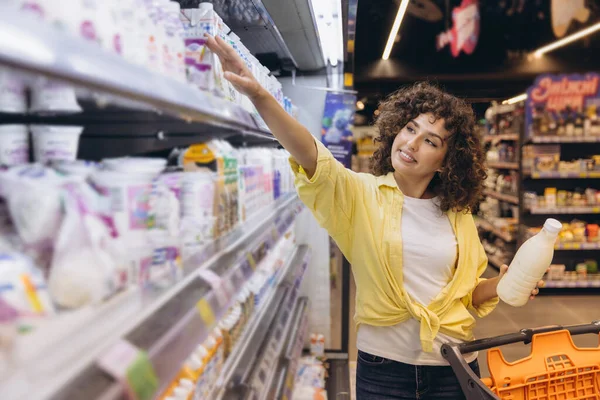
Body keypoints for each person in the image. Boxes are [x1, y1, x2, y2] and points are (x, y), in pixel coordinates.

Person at [205, 34, 543, 400]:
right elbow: (310, 153)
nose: (412, 143)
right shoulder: (361, 194)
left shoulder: (456, 214)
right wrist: (259, 94)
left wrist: (503, 285)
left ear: (447, 161)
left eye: (431, 141)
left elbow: (466, 295)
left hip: (456, 368)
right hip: (385, 372)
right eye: (410, 128)